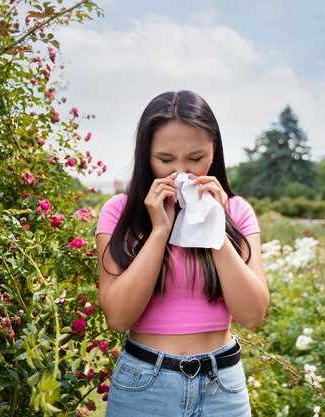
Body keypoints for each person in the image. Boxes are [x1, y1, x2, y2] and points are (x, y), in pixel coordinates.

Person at [94, 90, 269, 417]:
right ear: (146, 156)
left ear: (214, 151)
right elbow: (118, 317)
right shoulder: (120, 213)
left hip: (223, 388)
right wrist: (160, 231)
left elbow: (253, 314)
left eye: (195, 157)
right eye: (166, 160)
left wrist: (214, 228)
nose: (181, 172)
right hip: (144, 386)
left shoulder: (237, 211)